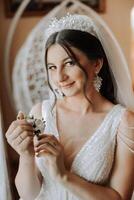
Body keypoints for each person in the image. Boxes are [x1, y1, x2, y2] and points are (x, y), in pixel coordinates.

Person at [6, 14, 134, 200]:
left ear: (97, 64)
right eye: (52, 67)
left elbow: (119, 197)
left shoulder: (124, 122)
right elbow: (29, 195)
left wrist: (63, 175)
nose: (59, 77)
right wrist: (25, 155)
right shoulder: (41, 113)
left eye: (69, 63)